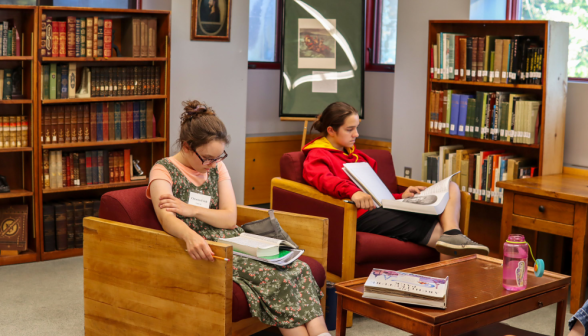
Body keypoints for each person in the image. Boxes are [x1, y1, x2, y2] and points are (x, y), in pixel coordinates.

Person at [148, 100, 330, 336]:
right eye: (207, 158)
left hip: (233, 238)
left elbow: (229, 218)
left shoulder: (216, 166)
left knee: (300, 269)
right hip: (209, 248)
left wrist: (191, 210)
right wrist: (190, 234)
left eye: (218, 157)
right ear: (186, 146)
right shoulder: (163, 170)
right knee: (278, 279)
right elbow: (168, 220)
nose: (213, 164)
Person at [302, 102, 489, 260]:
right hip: (360, 214)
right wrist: (352, 191)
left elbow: (377, 193)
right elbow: (324, 180)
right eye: (350, 129)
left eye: (357, 128)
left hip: (382, 207)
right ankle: (448, 277)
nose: (356, 134)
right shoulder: (317, 154)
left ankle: (453, 234)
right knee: (439, 232)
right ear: (331, 130)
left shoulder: (358, 156)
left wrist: (402, 195)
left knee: (451, 187)